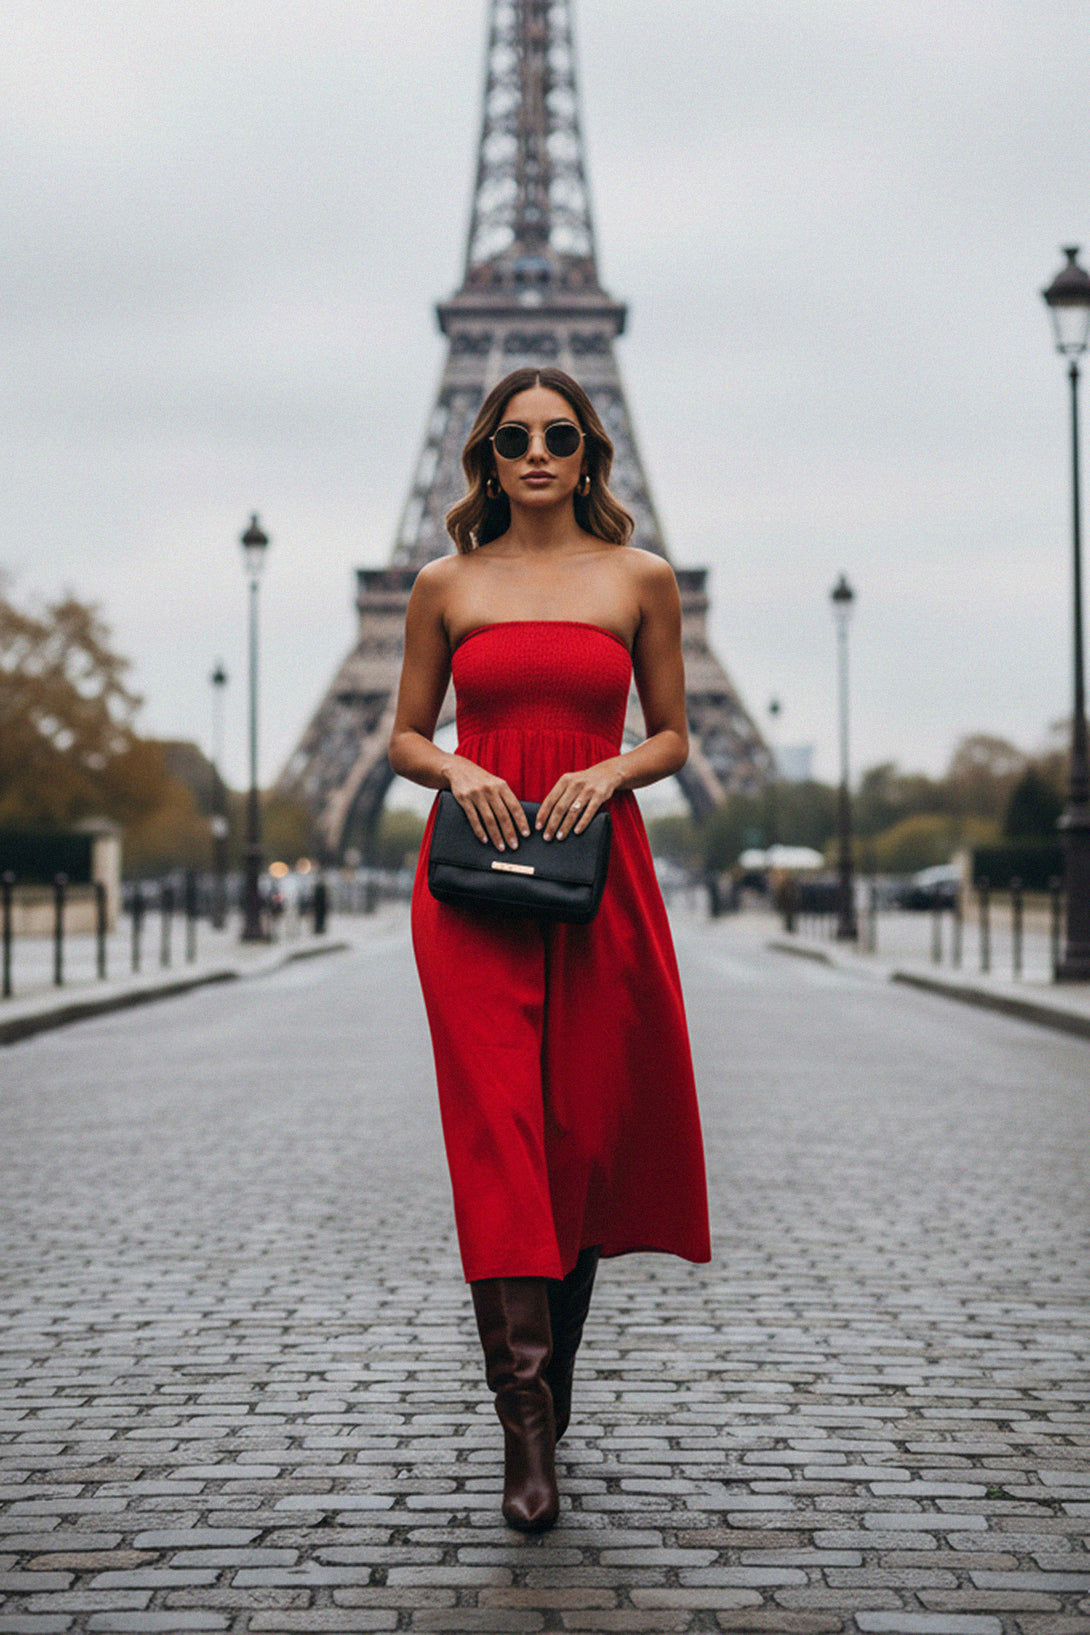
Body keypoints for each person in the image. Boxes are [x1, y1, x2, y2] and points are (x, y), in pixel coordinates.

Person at [388, 367, 710, 1532]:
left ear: (588, 454)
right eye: (513, 435)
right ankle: (525, 1425)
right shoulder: (443, 583)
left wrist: (610, 763)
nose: (535, 451)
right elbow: (404, 736)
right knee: (500, 1138)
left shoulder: (639, 578)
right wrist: (461, 765)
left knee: (573, 1139)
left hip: (595, 878)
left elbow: (673, 732)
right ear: (483, 454)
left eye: (558, 435)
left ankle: (550, 1388)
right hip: (471, 885)